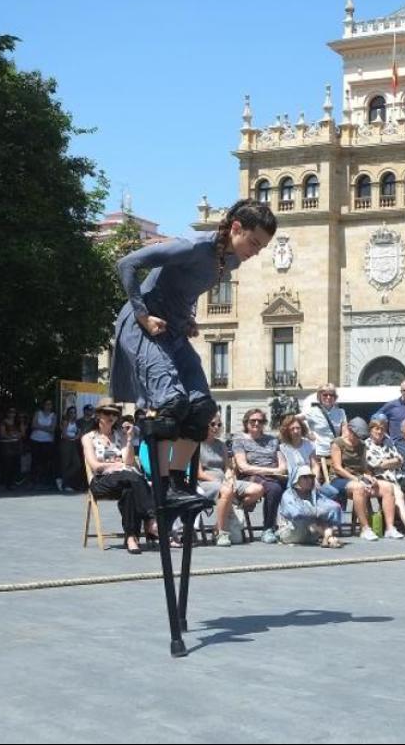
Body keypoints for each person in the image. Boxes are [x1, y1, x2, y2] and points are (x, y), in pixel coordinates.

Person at [109, 199, 275, 513]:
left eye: (262, 247)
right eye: (254, 242)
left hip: (172, 329)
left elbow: (184, 289)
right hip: (143, 324)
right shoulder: (193, 248)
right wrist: (143, 315)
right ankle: (160, 484)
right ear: (236, 228)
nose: (256, 251)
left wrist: (186, 318)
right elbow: (126, 264)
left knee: (201, 407)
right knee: (173, 402)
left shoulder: (230, 260)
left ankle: (177, 482)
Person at [80, 398, 155, 554]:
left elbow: (128, 462)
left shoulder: (119, 435)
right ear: (98, 415)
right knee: (132, 476)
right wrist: (115, 465)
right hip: (101, 481)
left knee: (129, 489)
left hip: (124, 479)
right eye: (107, 413)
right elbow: (95, 465)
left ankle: (131, 537)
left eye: (114, 413)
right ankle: (151, 519)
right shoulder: (89, 438)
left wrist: (128, 439)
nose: (111, 417)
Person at [195, 414, 260, 547]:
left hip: (224, 481)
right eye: (212, 424)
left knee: (257, 489)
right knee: (226, 491)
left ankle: (225, 516)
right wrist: (221, 483)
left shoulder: (221, 445)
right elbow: (199, 473)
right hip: (205, 483)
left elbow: (227, 467)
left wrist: (230, 476)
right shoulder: (197, 444)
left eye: (219, 425)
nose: (216, 427)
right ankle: (221, 532)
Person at [231, 408, 288, 544]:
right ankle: (268, 528)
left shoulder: (273, 440)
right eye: (253, 420)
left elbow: (282, 466)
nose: (257, 423)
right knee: (274, 489)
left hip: (272, 476)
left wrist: (274, 472)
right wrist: (269, 471)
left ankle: (293, 525)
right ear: (246, 422)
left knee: (297, 486)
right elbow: (243, 467)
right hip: (249, 477)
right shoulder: (239, 440)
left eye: (260, 421)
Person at [330, 417, 391, 542]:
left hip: (359, 478)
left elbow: (364, 468)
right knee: (359, 488)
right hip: (340, 480)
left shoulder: (362, 445)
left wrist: (370, 477)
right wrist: (356, 479)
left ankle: (390, 528)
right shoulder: (338, 443)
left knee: (387, 487)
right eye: (356, 436)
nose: (358, 439)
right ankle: (365, 528)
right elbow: (337, 467)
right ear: (350, 431)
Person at [278, 466, 344, 547]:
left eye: (311, 477)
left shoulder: (314, 494)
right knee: (309, 519)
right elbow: (296, 513)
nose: (309, 480)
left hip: (310, 535)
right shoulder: (288, 495)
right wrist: (316, 512)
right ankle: (330, 538)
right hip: (290, 533)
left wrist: (321, 489)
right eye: (305, 477)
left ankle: (328, 538)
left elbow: (334, 508)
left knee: (324, 519)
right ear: (296, 479)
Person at [302, 384, 347, 473]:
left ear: (335, 397)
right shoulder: (312, 411)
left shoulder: (341, 412)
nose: (328, 397)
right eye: (325, 395)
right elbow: (293, 420)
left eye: (331, 395)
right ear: (319, 397)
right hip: (318, 455)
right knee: (317, 482)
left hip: (335, 455)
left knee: (334, 483)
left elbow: (345, 432)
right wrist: (307, 433)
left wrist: (341, 443)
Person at [29, 399, 58, 490]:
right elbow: (33, 425)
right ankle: (33, 481)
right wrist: (46, 428)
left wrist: (40, 426)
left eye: (50, 404)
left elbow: (52, 429)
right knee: (35, 461)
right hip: (35, 440)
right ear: (43, 405)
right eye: (47, 404)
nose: (48, 406)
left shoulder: (53, 415)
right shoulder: (38, 413)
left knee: (45, 462)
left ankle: (44, 481)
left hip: (47, 441)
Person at [58, 405, 82, 493]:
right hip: (65, 443)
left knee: (77, 464)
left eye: (74, 412)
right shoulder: (65, 422)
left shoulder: (76, 422)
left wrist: (75, 438)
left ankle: (61, 479)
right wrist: (73, 438)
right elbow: (64, 434)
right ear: (68, 413)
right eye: (71, 412)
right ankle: (65, 485)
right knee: (66, 464)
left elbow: (79, 433)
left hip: (73, 444)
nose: (73, 414)